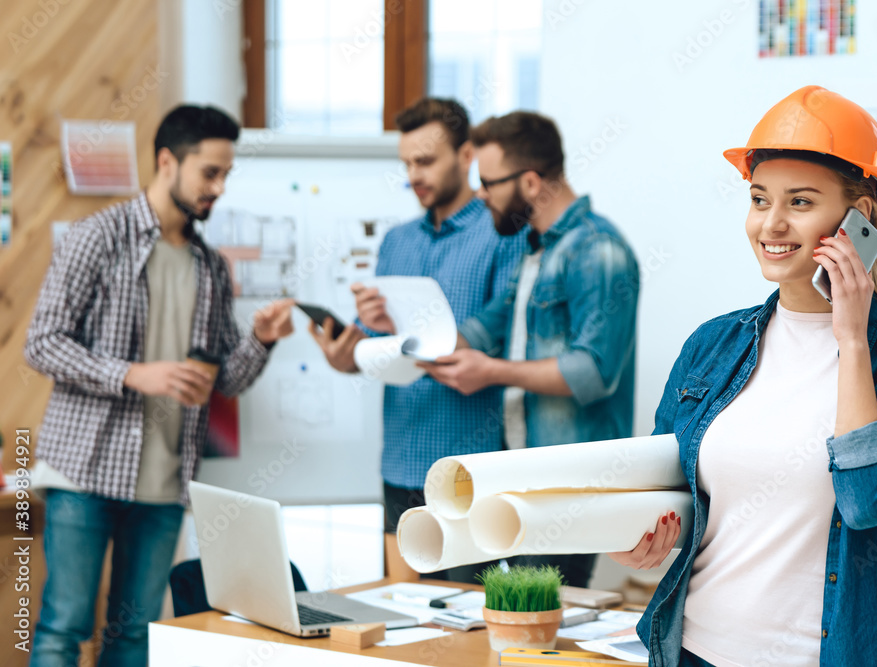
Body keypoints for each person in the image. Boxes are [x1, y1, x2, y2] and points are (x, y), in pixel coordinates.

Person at [609, 86, 877, 667]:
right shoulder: (712, 344)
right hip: (689, 649)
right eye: (758, 198)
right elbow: (662, 487)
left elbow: (867, 504)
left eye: (799, 202)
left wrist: (849, 338)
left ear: (860, 220)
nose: (769, 224)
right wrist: (636, 537)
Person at [24, 105, 294, 666]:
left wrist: (262, 340)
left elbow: (229, 380)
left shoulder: (212, 266)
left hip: (166, 483)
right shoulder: (97, 237)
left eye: (225, 174)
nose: (218, 187)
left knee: (135, 636)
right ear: (168, 162)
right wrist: (130, 373)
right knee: (62, 630)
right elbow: (42, 342)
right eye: (209, 172)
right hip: (84, 470)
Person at [308, 98, 527, 582]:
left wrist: (416, 340)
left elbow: (495, 328)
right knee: (401, 629)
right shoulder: (395, 242)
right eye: (407, 163)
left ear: (466, 155)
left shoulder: (505, 234)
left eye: (425, 161)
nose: (414, 175)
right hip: (400, 462)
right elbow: (372, 346)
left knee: (466, 636)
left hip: (469, 469)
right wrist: (348, 349)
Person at [419, 111, 640, 588]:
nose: (480, 195)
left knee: (541, 639)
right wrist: (414, 342)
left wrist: (492, 372)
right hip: (525, 478)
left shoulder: (598, 250)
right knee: (513, 626)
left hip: (570, 487)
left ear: (533, 182)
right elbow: (490, 325)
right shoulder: (535, 248)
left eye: (489, 183)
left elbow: (593, 372)